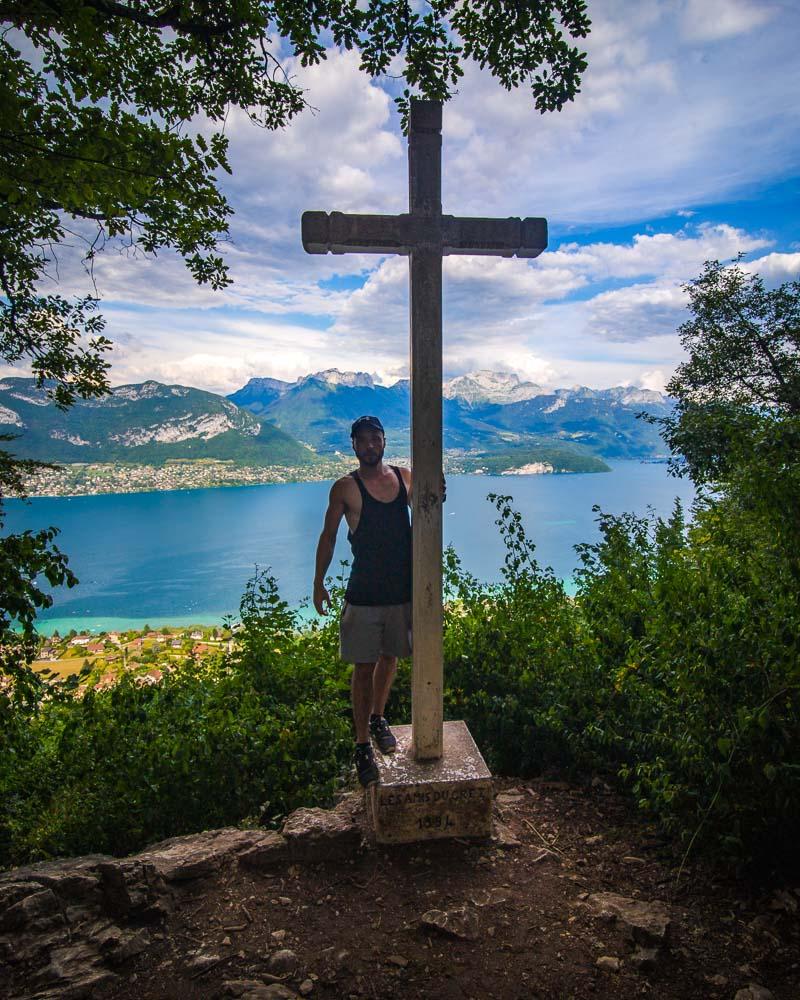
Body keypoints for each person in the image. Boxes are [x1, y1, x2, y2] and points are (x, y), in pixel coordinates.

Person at [313, 415, 413, 787]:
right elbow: (328, 537)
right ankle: (361, 745)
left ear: (385, 441)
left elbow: (428, 506)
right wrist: (318, 581)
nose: (370, 445)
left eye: (376, 438)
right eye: (363, 440)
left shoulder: (405, 477)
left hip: (400, 593)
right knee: (363, 667)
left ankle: (378, 718)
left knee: (390, 658)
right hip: (365, 593)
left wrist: (440, 488)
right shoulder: (345, 488)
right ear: (353, 445)